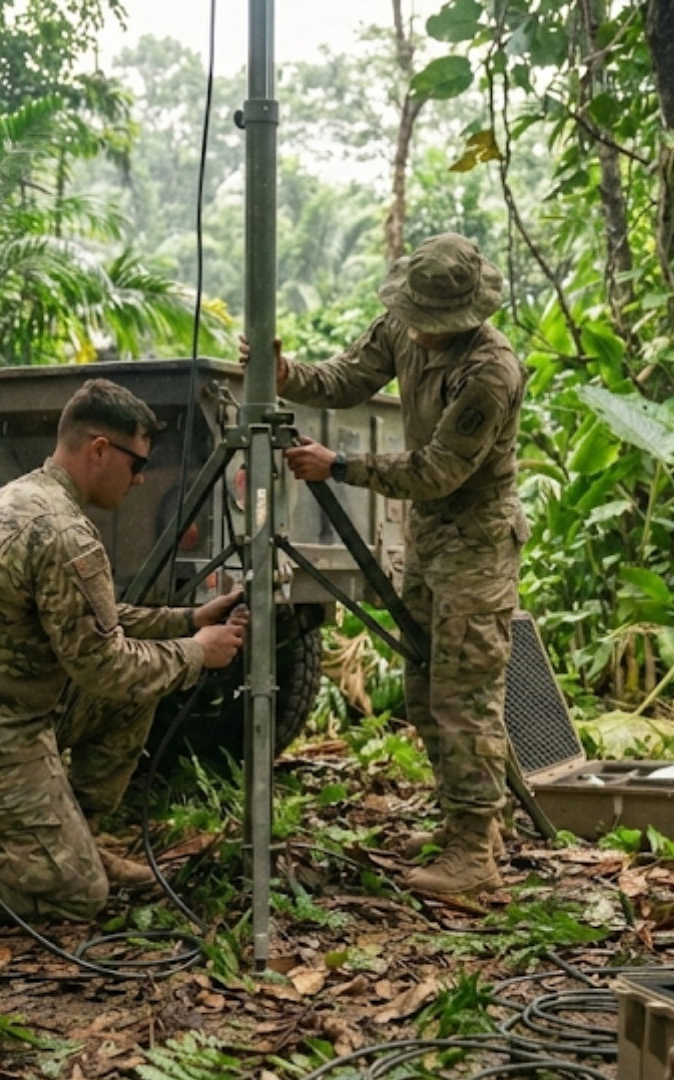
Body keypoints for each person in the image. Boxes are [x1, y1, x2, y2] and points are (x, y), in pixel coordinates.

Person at [0, 378, 249, 923]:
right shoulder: (62, 530)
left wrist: (185, 621)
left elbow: (89, 624)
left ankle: (69, 833)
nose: (141, 479)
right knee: (80, 895)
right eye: (136, 465)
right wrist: (198, 653)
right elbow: (106, 666)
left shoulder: (29, 497)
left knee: (137, 693)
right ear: (100, 450)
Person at [243, 233, 527, 895]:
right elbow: (347, 379)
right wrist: (288, 376)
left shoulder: (490, 370)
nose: (421, 336)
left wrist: (340, 466)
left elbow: (437, 471)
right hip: (429, 541)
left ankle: (474, 856)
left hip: (477, 541)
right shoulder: (402, 325)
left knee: (466, 697)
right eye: (417, 322)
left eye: (436, 328)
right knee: (427, 686)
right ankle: (472, 827)